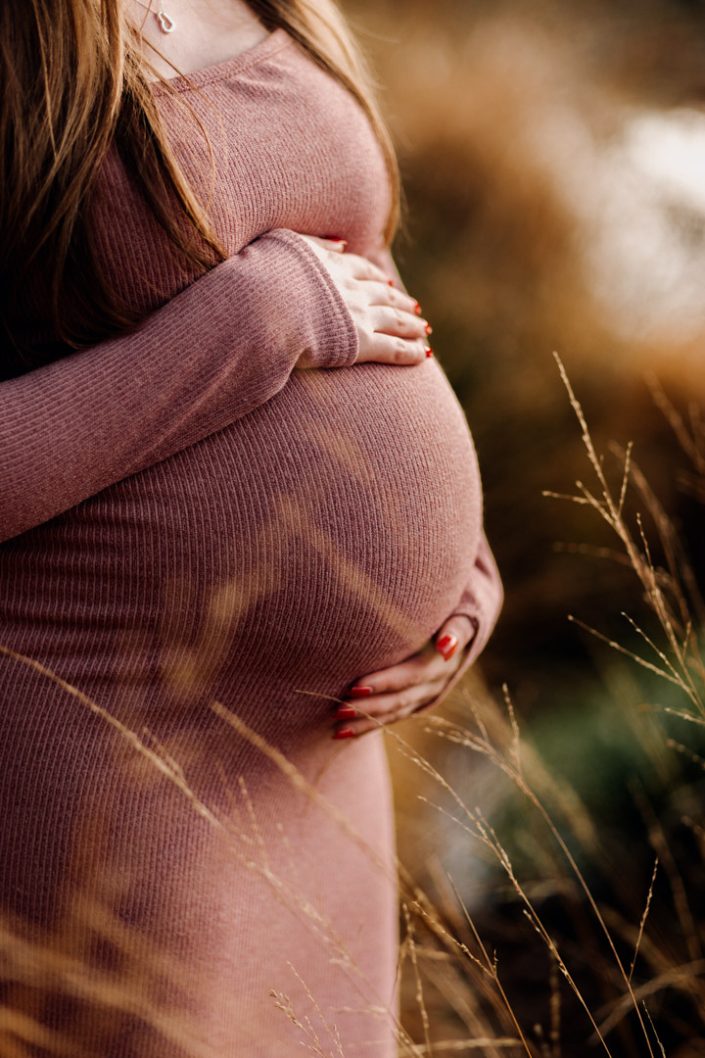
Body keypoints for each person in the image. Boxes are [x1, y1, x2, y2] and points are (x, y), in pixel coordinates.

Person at [0, 0, 503, 1053]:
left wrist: (465, 573)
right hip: (113, 732)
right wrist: (257, 321)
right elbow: (296, 302)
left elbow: (361, 269)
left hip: (316, 755)